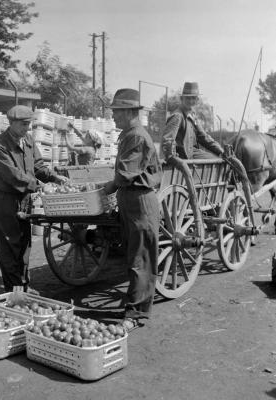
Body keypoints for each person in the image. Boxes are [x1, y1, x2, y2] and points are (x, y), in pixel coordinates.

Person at [0, 105, 68, 293]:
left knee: (24, 243)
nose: (27, 128)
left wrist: (55, 177)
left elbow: (38, 166)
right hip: (6, 200)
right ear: (12, 123)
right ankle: (13, 290)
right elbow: (12, 175)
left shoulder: (28, 140)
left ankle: (22, 285)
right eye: (23, 124)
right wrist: (39, 186)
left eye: (29, 124)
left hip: (25, 198)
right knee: (9, 245)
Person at [103, 88, 162, 332]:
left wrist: (102, 190)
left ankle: (137, 314)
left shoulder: (136, 136)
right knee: (133, 256)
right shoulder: (129, 134)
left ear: (129, 112)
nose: (113, 117)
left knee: (141, 258)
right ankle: (134, 306)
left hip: (140, 202)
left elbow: (125, 174)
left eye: (116, 112)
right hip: (130, 200)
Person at [162, 82, 224, 160]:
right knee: (216, 162)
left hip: (193, 152)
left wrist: (221, 151)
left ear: (197, 100)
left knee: (221, 160)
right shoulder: (177, 116)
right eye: (188, 98)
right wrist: (173, 158)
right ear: (182, 99)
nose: (191, 101)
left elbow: (204, 137)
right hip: (183, 155)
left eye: (193, 98)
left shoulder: (193, 115)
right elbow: (167, 140)